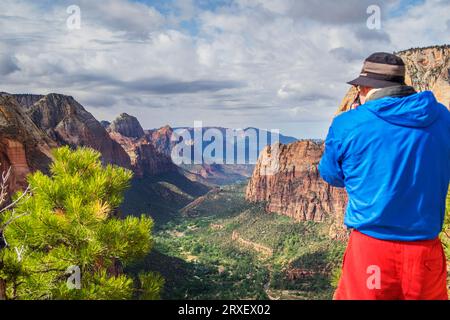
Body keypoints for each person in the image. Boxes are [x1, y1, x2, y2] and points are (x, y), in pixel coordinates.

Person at [319, 52, 450, 300]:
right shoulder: (443, 117)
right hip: (426, 253)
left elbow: (331, 175)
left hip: (371, 251)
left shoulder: (348, 123)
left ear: (366, 87)